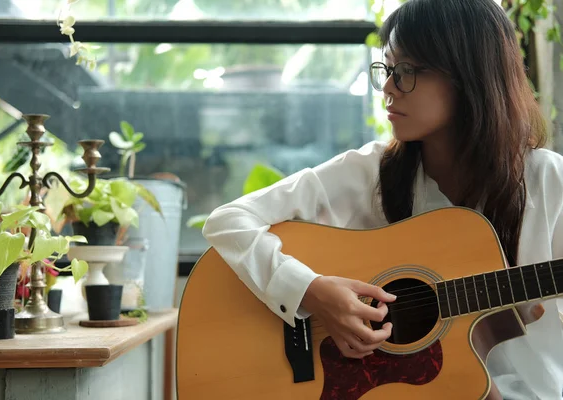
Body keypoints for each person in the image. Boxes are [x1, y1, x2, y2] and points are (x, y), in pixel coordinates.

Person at [202, 0, 563, 398]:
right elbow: (228, 220)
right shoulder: (370, 172)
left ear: (468, 74)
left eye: (407, 71)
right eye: (387, 70)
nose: (389, 88)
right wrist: (309, 291)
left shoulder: (549, 181)